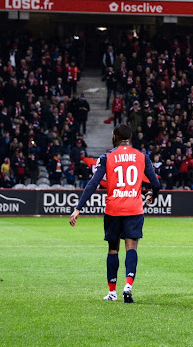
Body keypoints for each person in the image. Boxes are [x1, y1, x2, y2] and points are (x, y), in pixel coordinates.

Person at [69, 124, 161, 303]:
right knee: (131, 247)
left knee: (113, 249)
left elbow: (93, 183)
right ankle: (128, 285)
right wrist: (153, 196)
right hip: (134, 209)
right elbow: (156, 184)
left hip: (114, 209)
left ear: (115, 137)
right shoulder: (142, 157)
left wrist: (78, 208)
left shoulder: (107, 157)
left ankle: (112, 292)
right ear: (130, 138)